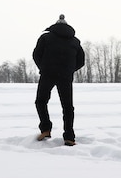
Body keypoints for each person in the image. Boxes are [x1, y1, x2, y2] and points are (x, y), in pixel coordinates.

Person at [32, 14, 85, 146]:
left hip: (47, 74)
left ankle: (45, 129)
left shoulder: (45, 37)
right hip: (65, 77)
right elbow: (81, 61)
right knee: (67, 107)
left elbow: (36, 54)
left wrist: (43, 67)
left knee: (41, 101)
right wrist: (69, 70)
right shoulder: (75, 41)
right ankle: (69, 137)